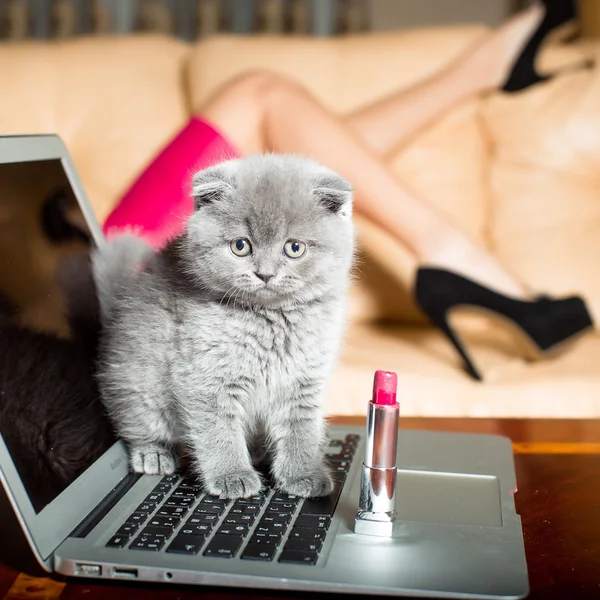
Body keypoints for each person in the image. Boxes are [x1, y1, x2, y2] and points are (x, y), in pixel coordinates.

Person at [103, 0, 594, 381]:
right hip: (123, 292)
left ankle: (481, 74)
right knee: (258, 95)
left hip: (118, 283)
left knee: (293, 160)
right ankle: (450, 249)